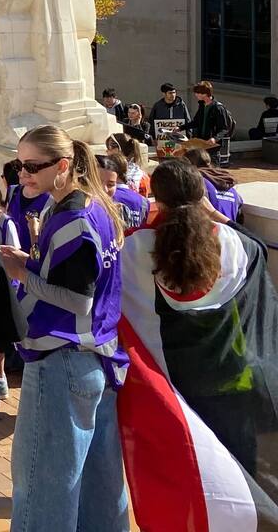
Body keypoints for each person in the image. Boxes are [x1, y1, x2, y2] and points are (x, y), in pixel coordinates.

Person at [117, 158, 278, 529]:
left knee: (195, 475)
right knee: (244, 471)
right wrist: (214, 215)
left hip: (181, 388)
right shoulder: (237, 245)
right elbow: (259, 250)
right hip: (236, 382)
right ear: (202, 197)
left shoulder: (134, 251)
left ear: (156, 199)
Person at [0, 125, 129, 532]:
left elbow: (76, 299)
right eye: (21, 165)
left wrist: (21, 271)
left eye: (34, 166)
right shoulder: (97, 206)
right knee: (99, 491)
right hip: (98, 359)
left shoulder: (71, 218)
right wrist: (31, 264)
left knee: (42, 491)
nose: (23, 175)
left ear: (64, 166)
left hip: (62, 362)